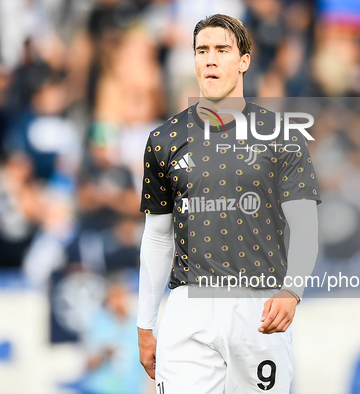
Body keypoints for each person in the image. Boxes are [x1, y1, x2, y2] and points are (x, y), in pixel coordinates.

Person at [137, 14, 320, 393]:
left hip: (257, 307)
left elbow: (305, 224)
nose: (211, 59)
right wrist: (145, 324)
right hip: (189, 307)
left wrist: (293, 290)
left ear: (244, 60)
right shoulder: (164, 140)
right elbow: (157, 237)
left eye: (223, 49)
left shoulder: (281, 136)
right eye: (202, 50)